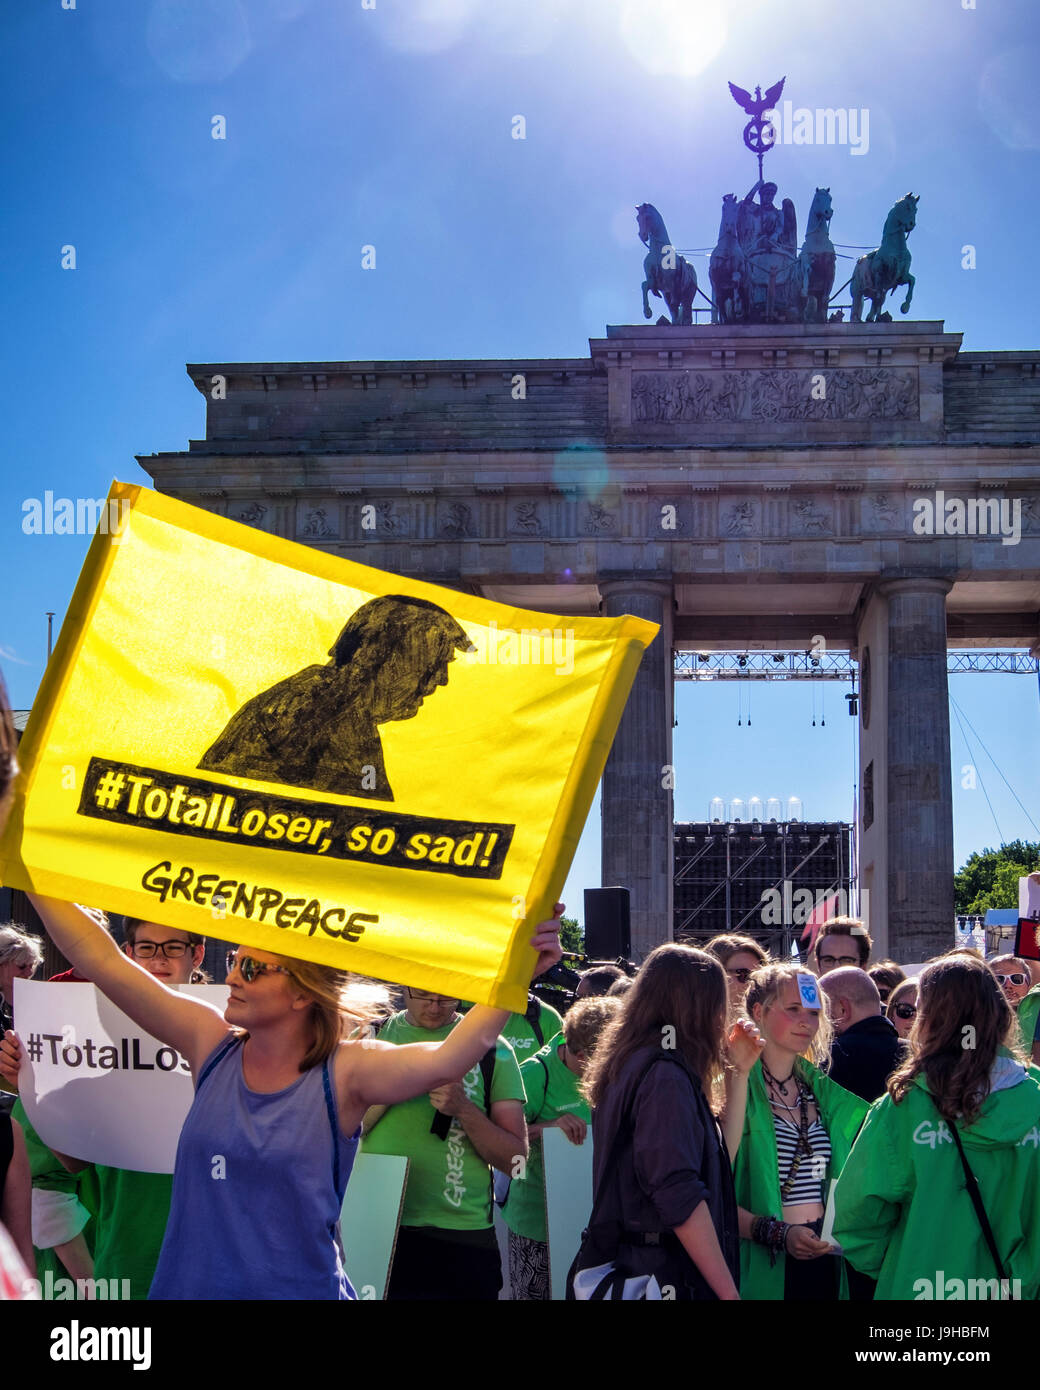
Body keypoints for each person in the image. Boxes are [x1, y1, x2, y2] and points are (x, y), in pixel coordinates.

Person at [1, 894, 561, 1299]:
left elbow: (448, 1059)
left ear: (300, 993)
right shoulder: (210, 1041)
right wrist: (27, 860)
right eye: (233, 961)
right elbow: (101, 961)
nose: (232, 975)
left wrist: (516, 974)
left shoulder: (345, 1072)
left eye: (251, 966)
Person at [833, 954, 1040, 1299]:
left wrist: (906, 1262)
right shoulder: (1034, 1097)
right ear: (999, 1013)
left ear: (929, 1020)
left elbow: (856, 1218)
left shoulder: (904, 1105)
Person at [43, 918, 209, 1299]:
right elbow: (73, 1161)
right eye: (147, 947)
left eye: (173, 947)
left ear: (197, 954)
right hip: (125, 1257)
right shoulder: (96, 1035)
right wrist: (33, 1084)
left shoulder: (230, 1032)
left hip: (211, 1259)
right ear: (129, 953)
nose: (159, 959)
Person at [577, 944, 753, 1301]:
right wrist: (729, 1294)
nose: (724, 1015)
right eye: (720, 1003)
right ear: (699, 1008)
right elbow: (679, 1195)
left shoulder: (633, 1063)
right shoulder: (663, 1076)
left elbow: (719, 1164)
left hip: (642, 1267)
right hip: (660, 1274)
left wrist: (740, 1072)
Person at [199, 594, 473, 800]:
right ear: (374, 656)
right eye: (429, 663)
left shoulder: (343, 708)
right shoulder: (314, 710)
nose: (440, 680)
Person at [361, 983, 528, 1301]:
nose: (436, 1005)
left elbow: (516, 1162)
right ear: (405, 983)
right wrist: (394, 1085)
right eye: (424, 994)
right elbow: (333, 1131)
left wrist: (465, 1110)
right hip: (377, 1225)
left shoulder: (492, 1048)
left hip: (462, 1236)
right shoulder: (370, 1037)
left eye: (447, 995)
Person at [723, 963, 869, 1300]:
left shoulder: (823, 1093)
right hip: (761, 1263)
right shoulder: (731, 1083)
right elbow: (714, 1192)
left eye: (814, 1012)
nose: (807, 1021)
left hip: (823, 1261)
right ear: (758, 1011)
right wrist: (778, 1233)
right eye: (793, 1009)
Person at [501, 996, 618, 1300]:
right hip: (536, 1224)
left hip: (594, 1219)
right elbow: (499, 1138)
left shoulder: (613, 1069)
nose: (600, 1070)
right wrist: (548, 1128)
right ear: (571, 1048)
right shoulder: (534, 1074)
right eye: (591, 1062)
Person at [819, 968, 906, 1103]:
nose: (818, 1021)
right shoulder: (921, 1056)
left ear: (843, 1009)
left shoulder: (825, 1060)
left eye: (822, 1011)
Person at [706, 934, 769, 1014]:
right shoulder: (690, 1024)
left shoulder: (770, 1024)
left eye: (759, 977)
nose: (753, 985)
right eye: (744, 975)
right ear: (715, 976)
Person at [0, 926, 44, 1037]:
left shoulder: (38, 1001)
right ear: (2, 964)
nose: (29, 973)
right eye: (22, 966)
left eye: (32, 965)